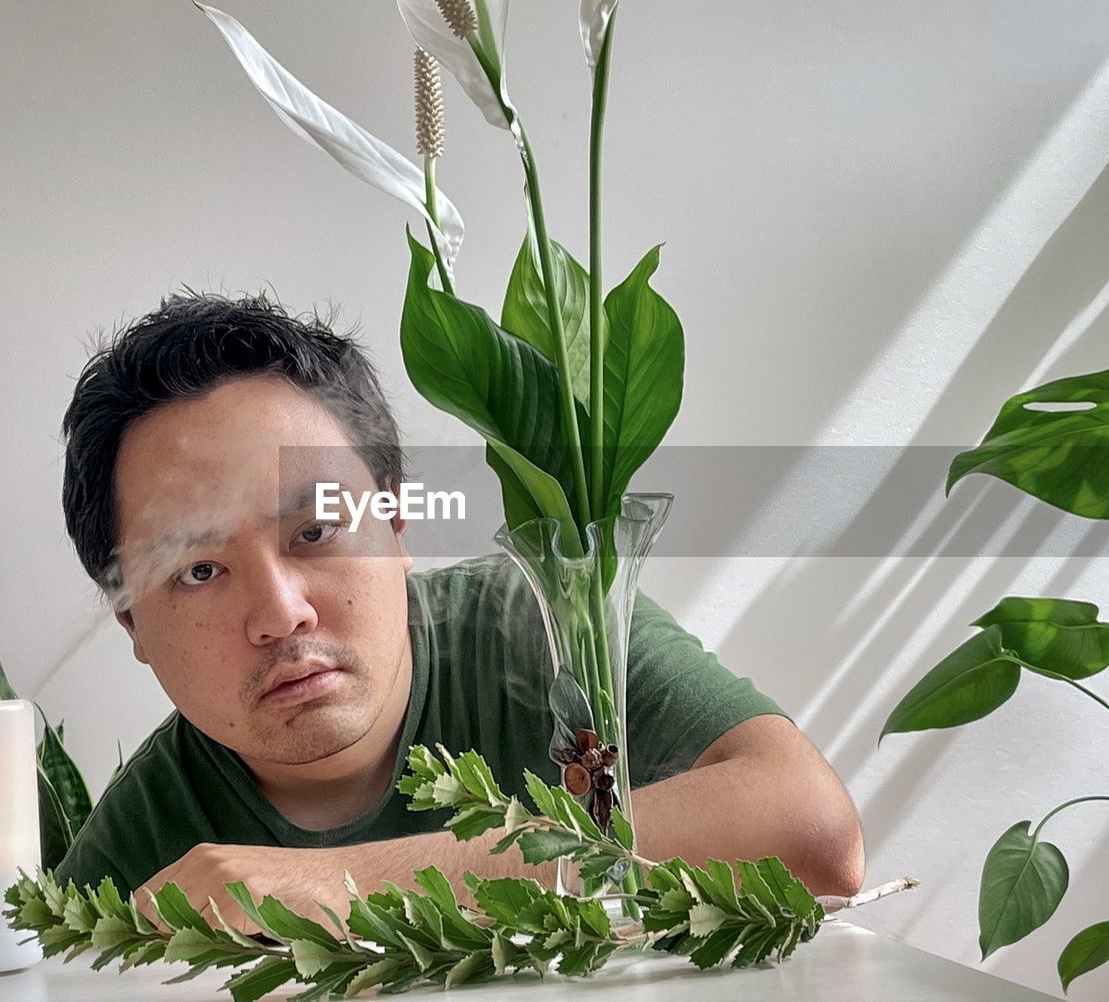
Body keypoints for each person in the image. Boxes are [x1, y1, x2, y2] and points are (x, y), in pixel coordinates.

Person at [56, 291, 865, 927]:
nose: (280, 612)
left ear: (399, 523)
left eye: (315, 529)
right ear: (133, 623)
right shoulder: (145, 841)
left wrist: (349, 886)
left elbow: (815, 835)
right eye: (200, 570)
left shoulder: (543, 623)